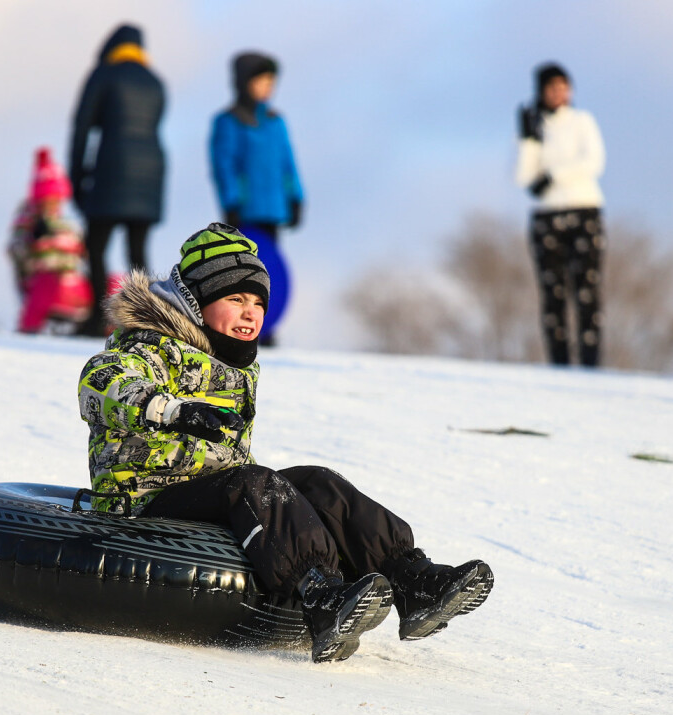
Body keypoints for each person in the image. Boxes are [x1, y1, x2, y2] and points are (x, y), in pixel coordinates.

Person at [77, 224, 494, 663]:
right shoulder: (150, 346)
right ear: (194, 302)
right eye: (235, 299)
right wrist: (173, 410)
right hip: (145, 498)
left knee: (317, 483)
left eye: (258, 302)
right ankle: (320, 596)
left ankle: (413, 579)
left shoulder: (230, 362)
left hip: (213, 493)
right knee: (256, 484)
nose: (250, 313)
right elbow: (99, 382)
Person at [69, 24, 166, 337]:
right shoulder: (155, 82)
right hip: (151, 169)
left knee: (95, 244)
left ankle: (97, 319)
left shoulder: (103, 74)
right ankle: (145, 320)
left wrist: (76, 175)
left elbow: (81, 126)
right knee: (137, 251)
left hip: (112, 165)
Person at [515, 63, 607, 367]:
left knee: (587, 291)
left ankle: (590, 362)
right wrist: (528, 140)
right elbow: (524, 178)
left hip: (584, 210)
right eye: (552, 87)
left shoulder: (582, 121)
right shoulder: (537, 127)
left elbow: (593, 162)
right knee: (552, 293)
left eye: (563, 86)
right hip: (547, 216)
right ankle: (559, 363)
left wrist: (554, 175)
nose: (559, 93)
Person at [209, 52, 305, 242]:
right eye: (262, 81)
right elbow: (224, 166)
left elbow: (288, 162)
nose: (268, 86)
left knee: (271, 263)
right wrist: (231, 203)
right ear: (245, 82)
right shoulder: (229, 122)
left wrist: (296, 197)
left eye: (271, 81)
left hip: (275, 210)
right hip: (245, 214)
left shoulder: (276, 122)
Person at [8, 149, 89, 334]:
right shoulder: (28, 220)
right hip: (41, 282)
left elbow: (80, 250)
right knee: (46, 283)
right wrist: (33, 240)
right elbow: (16, 248)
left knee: (113, 285)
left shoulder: (66, 224)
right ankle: (28, 329)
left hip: (72, 282)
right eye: (48, 199)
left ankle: (111, 330)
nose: (53, 203)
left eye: (56, 199)